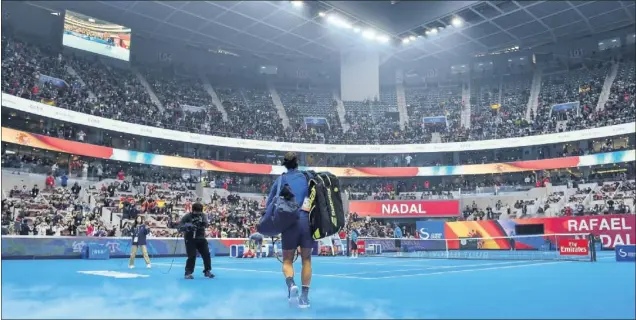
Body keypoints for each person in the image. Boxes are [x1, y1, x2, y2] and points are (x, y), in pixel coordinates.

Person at [266, 152, 312, 308]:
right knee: (306, 260)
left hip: (289, 223)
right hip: (306, 223)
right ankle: (304, 298)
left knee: (287, 260)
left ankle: (291, 284)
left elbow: (269, 204)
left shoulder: (280, 180)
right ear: (297, 163)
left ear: (284, 164)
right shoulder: (307, 177)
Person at [179, 202, 214, 280]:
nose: (198, 213)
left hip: (201, 238)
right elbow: (180, 226)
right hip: (190, 238)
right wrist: (188, 226)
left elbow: (206, 224)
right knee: (192, 256)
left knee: (206, 254)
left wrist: (202, 224)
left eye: (200, 211)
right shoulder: (187, 216)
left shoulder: (203, 215)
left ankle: (207, 271)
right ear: (193, 210)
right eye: (196, 211)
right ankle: (188, 273)